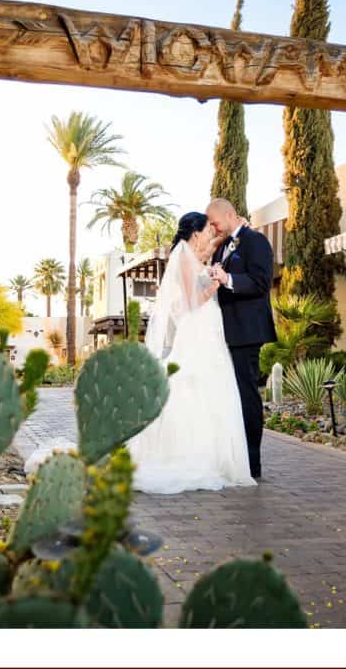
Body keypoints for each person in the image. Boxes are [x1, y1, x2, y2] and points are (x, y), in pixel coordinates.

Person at [127, 211, 257, 494]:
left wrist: (234, 230)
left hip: (205, 329)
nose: (210, 235)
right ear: (196, 233)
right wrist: (214, 284)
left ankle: (208, 453)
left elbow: (210, 252)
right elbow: (190, 302)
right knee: (197, 386)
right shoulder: (183, 258)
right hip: (196, 328)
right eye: (207, 230)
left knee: (206, 388)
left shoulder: (185, 254)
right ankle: (192, 453)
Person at [205, 198, 277, 479]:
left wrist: (228, 280)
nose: (212, 227)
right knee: (230, 395)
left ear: (230, 215)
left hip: (247, 332)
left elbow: (261, 281)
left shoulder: (255, 241)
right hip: (225, 331)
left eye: (215, 222)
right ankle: (234, 457)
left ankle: (251, 462)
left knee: (246, 395)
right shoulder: (222, 246)